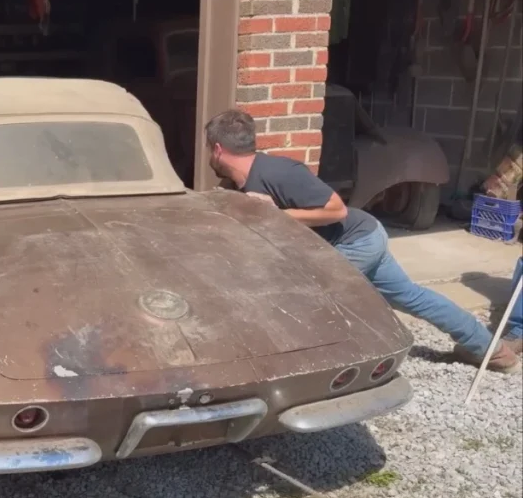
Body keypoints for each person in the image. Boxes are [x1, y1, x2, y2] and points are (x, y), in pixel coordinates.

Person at [203, 109, 520, 374]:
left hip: (355, 240)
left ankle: (314, 370)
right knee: (411, 296)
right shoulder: (237, 182)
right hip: (367, 235)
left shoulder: (279, 172)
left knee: (308, 301)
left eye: (208, 149)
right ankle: (493, 351)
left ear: (218, 149)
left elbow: (335, 209)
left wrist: (276, 214)